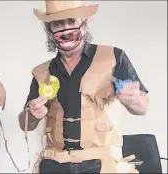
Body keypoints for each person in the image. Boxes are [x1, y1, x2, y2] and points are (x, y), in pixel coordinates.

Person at [18, 1, 149, 173]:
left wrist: (134, 100)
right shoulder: (41, 72)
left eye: (71, 21)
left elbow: (142, 107)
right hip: (54, 164)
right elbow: (24, 123)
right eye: (58, 24)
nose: (66, 31)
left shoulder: (113, 58)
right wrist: (31, 115)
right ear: (49, 30)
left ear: (84, 24)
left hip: (102, 164)